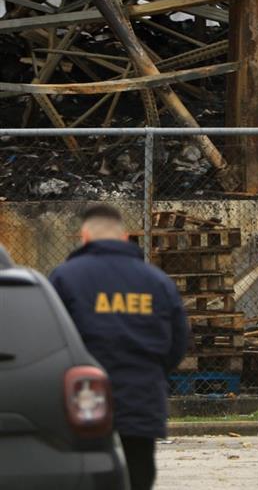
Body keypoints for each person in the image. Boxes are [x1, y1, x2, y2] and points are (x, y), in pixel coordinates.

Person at [49, 204, 189, 490]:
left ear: (85, 237)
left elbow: (50, 340)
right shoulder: (158, 282)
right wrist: (153, 372)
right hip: (142, 397)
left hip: (84, 400)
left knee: (88, 475)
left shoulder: (64, 278)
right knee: (138, 471)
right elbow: (178, 343)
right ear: (125, 238)